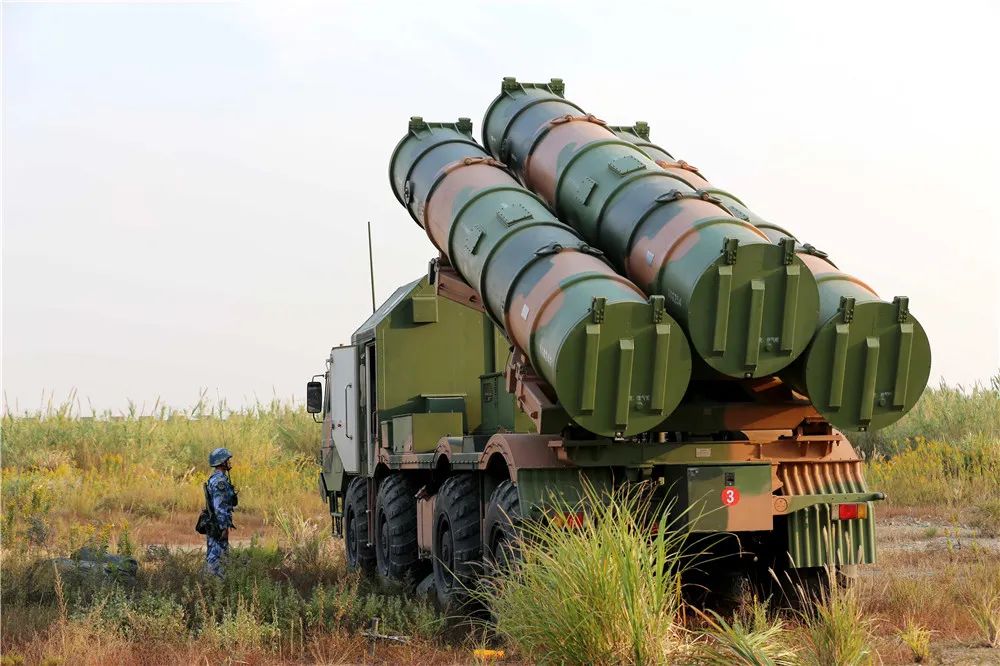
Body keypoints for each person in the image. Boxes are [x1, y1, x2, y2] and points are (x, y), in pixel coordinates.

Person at [205, 447, 238, 577]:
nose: (229, 462)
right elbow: (220, 507)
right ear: (221, 462)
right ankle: (215, 582)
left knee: (214, 554)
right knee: (218, 557)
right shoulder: (220, 482)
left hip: (214, 523)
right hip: (218, 525)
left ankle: (211, 581)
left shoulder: (214, 478)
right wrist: (223, 527)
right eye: (227, 460)